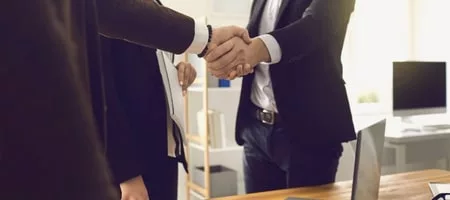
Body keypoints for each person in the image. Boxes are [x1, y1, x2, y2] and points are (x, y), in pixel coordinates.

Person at [1, 0, 250, 199]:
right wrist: (126, 174)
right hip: (132, 161)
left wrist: (178, 69)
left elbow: (146, 58)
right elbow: (103, 90)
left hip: (160, 152)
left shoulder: (153, 4)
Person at [205, 0, 357, 193]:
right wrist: (231, 48)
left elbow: (315, 25)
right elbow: (254, 36)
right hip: (255, 129)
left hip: (309, 133)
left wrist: (253, 51)